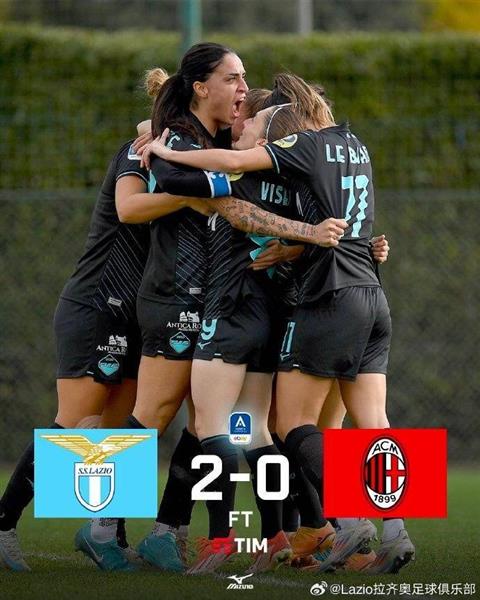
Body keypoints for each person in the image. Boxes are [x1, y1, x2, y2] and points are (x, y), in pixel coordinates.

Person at [139, 95, 415, 574]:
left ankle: (122, 528)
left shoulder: (251, 168)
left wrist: (162, 151)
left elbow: (164, 192)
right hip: (236, 305)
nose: (241, 115)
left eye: (251, 116)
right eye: (234, 82)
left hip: (194, 304)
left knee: (170, 423)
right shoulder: (297, 172)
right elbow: (127, 205)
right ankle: (306, 530)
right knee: (249, 429)